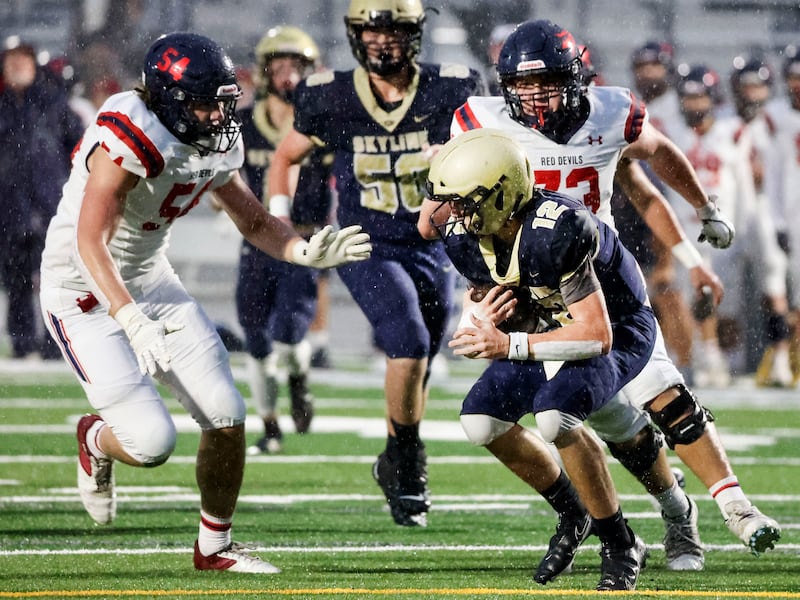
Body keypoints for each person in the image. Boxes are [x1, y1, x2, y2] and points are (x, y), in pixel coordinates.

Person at [443, 18, 780, 559]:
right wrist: (475, 291)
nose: (533, 97)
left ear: (577, 77)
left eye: (546, 82)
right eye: (522, 86)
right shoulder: (482, 122)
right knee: (600, 421)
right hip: (532, 295)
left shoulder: (609, 113)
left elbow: (657, 160)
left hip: (603, 281)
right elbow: (445, 202)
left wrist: (704, 211)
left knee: (663, 395)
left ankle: (733, 507)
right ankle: (645, 513)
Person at [38, 32, 371, 573]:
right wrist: (130, 320)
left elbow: (256, 221)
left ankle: (214, 546)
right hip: (81, 290)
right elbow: (89, 242)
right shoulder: (133, 133)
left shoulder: (214, 139)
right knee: (150, 443)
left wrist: (303, 250)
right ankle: (95, 438)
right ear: (168, 99)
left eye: (222, 102)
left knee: (226, 412)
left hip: (149, 280)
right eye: (203, 103)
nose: (218, 116)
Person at [268, 0, 483, 528]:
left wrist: (462, 153)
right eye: (371, 32)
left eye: (394, 32)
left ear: (414, 35)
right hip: (367, 243)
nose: (382, 43)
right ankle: (409, 464)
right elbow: (283, 157)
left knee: (423, 359)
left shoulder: (452, 88)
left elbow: (491, 148)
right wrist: (278, 221)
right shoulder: (332, 94)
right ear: (354, 36)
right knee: (406, 338)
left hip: (435, 245)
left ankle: (394, 456)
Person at [428, 128, 651, 591]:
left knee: (554, 416)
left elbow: (596, 334)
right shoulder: (469, 235)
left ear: (502, 194)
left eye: (466, 202)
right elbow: (501, 305)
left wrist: (507, 344)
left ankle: (619, 539)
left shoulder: (556, 230)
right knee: (481, 422)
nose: (455, 214)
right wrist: (484, 319)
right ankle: (574, 516)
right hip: (546, 325)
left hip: (619, 327)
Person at [235, 25, 332, 455]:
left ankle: (298, 378)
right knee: (255, 339)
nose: (289, 77)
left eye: (298, 67)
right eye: (281, 66)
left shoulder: (321, 126)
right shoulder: (242, 125)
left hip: (302, 244)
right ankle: (270, 427)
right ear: (264, 71)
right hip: (256, 245)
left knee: (290, 335)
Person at [669, 64, 790, 386]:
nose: (694, 105)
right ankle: (711, 358)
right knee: (702, 296)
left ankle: (748, 360)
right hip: (691, 230)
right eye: (689, 98)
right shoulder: (676, 136)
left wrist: (746, 224)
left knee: (742, 299)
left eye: (700, 97)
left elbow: (749, 182)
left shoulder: (733, 130)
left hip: (730, 228)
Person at [0, 38, 84, 360]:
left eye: (23, 59)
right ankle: (22, 344)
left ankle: (55, 344)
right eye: (11, 60)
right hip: (9, 208)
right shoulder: (3, 106)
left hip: (51, 206)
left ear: (35, 64)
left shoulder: (54, 103)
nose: (17, 66)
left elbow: (79, 149)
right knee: (16, 281)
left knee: (55, 281)